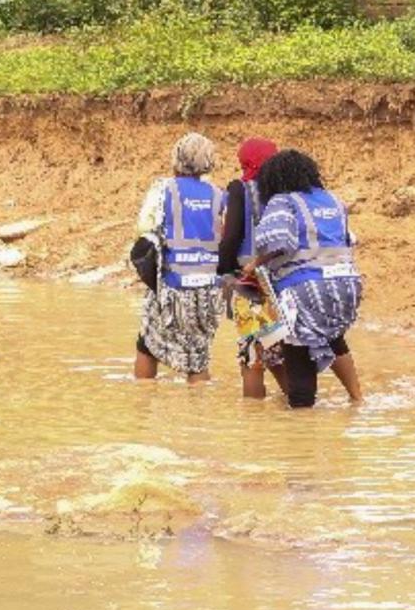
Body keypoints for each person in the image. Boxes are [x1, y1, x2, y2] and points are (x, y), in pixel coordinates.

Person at [243, 149, 365, 408]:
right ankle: (357, 399)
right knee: (331, 336)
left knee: (299, 367)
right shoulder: (333, 200)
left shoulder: (283, 202)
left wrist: (254, 264)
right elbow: (350, 239)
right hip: (347, 287)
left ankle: (302, 434)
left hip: (305, 290)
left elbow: (278, 241)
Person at [133, 132, 224, 383]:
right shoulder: (219, 194)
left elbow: (143, 228)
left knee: (147, 345)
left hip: (171, 285)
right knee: (198, 357)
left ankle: (143, 401)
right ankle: (197, 416)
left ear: (176, 159)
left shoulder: (163, 189)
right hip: (208, 288)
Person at [217, 137, 289, 400]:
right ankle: (297, 410)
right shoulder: (286, 193)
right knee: (279, 351)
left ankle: (253, 423)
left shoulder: (240, 189)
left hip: (251, 283)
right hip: (285, 282)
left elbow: (231, 235)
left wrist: (224, 272)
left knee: (252, 357)